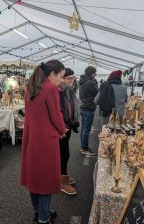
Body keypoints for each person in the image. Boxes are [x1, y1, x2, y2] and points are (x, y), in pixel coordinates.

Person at [21, 60, 67, 224]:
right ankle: (43, 217)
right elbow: (56, 115)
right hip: (46, 140)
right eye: (61, 76)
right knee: (45, 179)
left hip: (31, 136)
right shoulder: (51, 89)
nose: (62, 80)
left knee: (35, 177)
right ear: (52, 74)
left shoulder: (32, 87)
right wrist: (62, 130)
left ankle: (39, 212)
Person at [59, 68, 79, 196]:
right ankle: (61, 181)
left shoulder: (69, 90)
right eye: (68, 78)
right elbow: (60, 110)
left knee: (63, 153)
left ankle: (63, 176)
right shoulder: (59, 91)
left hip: (68, 125)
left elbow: (72, 107)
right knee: (63, 153)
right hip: (61, 127)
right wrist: (68, 122)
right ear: (62, 78)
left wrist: (74, 121)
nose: (72, 80)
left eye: (73, 78)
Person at [79, 66, 99, 155]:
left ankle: (83, 146)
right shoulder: (90, 82)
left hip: (83, 107)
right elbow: (97, 92)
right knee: (86, 129)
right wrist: (95, 82)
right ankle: (84, 148)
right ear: (92, 73)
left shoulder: (83, 81)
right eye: (95, 73)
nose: (96, 74)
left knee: (83, 128)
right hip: (89, 108)